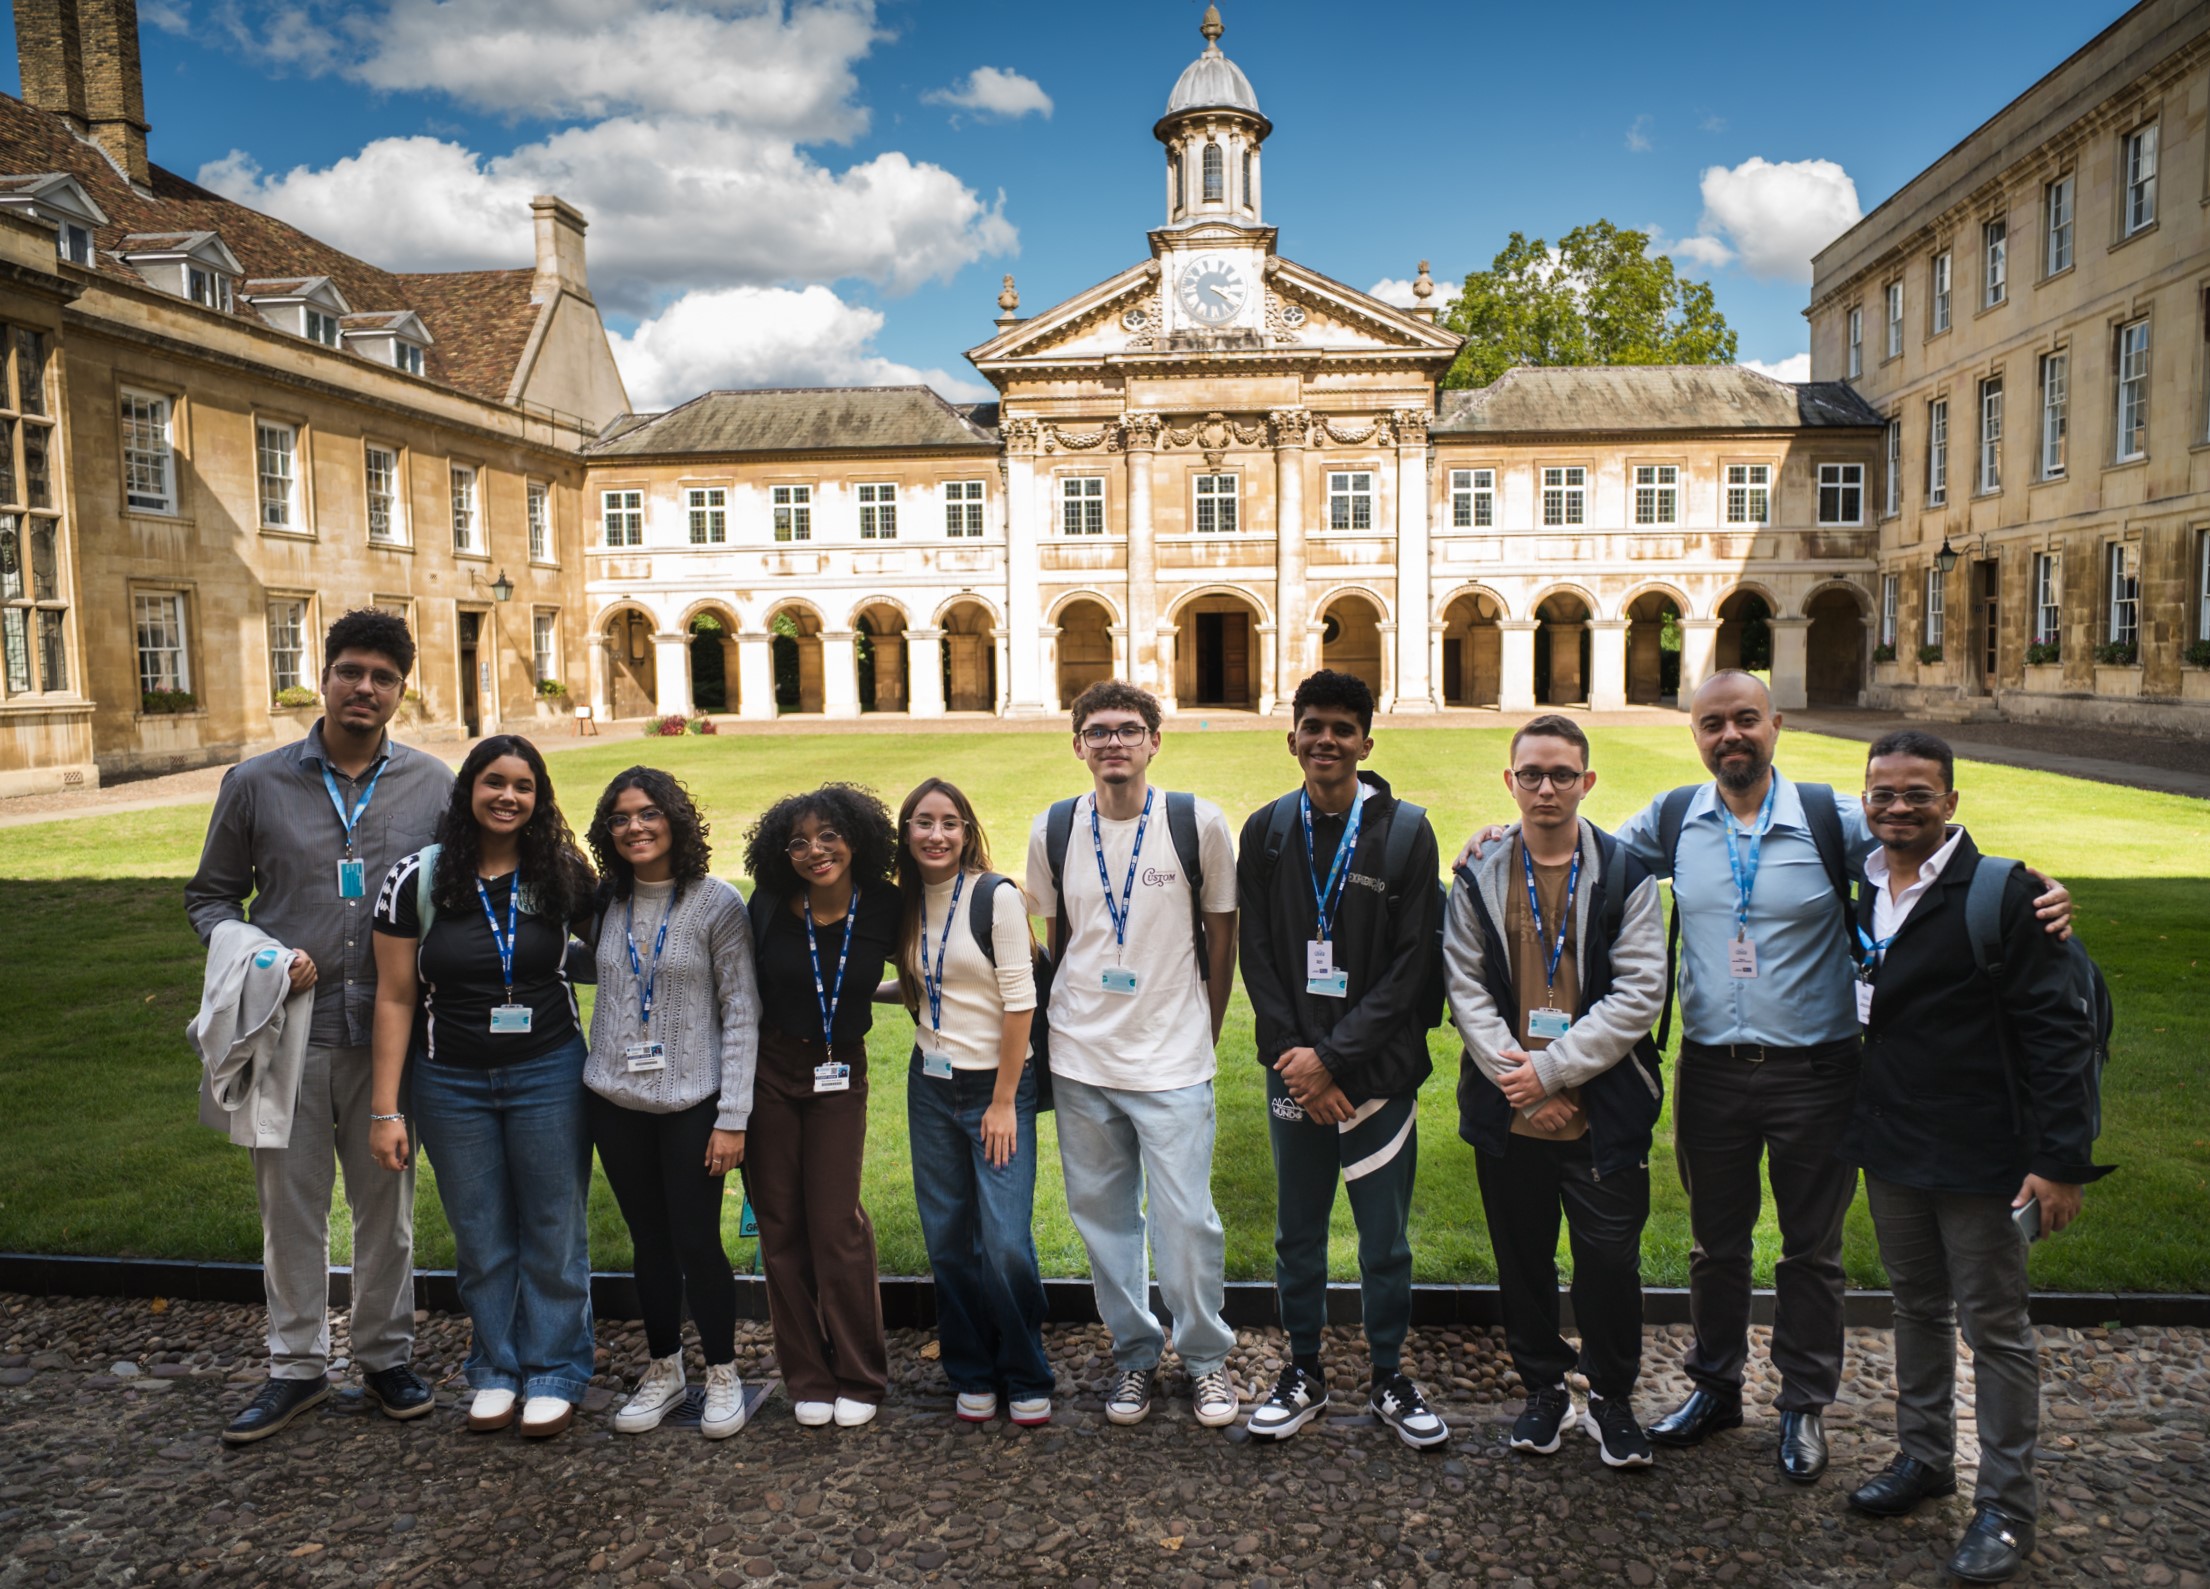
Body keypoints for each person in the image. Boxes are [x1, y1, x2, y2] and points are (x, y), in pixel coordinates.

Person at [1457, 671, 2071, 1483]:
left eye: (1746, 719)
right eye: (1714, 724)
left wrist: (2040, 893)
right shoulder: (1673, 821)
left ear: (1775, 723)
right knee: (1717, 1246)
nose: (1730, 735)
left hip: (1817, 1068)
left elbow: (1927, 843)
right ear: (1697, 735)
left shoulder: (1834, 819)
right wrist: (1494, 835)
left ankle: (1803, 1403)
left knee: (1811, 1251)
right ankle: (1716, 1387)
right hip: (1712, 1068)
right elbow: (1573, 841)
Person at [1839, 730, 2107, 1584]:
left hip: (1984, 1152)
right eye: (1883, 793)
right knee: (1915, 1308)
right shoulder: (1868, 888)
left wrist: (2059, 1159)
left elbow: (2058, 1033)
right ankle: (1923, 1458)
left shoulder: (2005, 893)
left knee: (1996, 1329)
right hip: (1892, 1145)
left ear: (1950, 802)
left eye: (1918, 793)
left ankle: (2006, 1503)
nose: (1898, 807)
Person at [185, 609, 451, 1444]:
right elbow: (210, 897)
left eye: (383, 677)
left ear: (401, 692)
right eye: (351, 671)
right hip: (286, 1030)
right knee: (290, 1207)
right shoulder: (255, 783)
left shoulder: (434, 785)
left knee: (389, 1210)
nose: (364, 688)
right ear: (323, 674)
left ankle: (383, 1355)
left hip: (389, 1034)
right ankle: (294, 1365)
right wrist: (258, 954)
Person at [1443, 714, 1666, 1470]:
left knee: (1609, 1262)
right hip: (1512, 1112)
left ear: (1587, 782)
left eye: (1562, 774)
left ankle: (1610, 1396)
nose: (1546, 788)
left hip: (1601, 1110)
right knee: (1523, 1261)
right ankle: (1542, 1389)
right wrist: (1521, 1080)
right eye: (1531, 774)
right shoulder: (1477, 873)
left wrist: (1553, 1071)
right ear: (1510, 781)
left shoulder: (1629, 874)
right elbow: (1465, 986)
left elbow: (1639, 996)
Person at [1235, 669, 1449, 1448]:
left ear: (1367, 739)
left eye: (1342, 728)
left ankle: (1390, 1372)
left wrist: (1334, 1059)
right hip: (1296, 1069)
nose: (1325, 739)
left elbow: (1410, 969)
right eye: (1312, 725)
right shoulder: (1265, 829)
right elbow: (1256, 957)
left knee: (1383, 1235)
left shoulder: (1406, 831)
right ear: (1291, 734)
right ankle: (1304, 1370)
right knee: (1299, 1229)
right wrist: (1301, 1060)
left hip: (1376, 1073)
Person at [366, 735, 598, 1439]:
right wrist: (385, 1109)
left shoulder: (562, 873)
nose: (508, 796)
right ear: (469, 787)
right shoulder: (419, 877)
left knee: (554, 1227)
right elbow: (396, 997)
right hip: (451, 1080)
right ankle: (496, 1367)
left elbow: (624, 949)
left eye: (523, 785)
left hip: (549, 1070)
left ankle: (556, 1369)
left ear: (539, 797)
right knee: (480, 1231)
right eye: (494, 781)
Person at [1024, 680, 1241, 1429]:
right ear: (1077, 744)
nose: (1113, 742)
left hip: (1172, 1060)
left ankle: (1206, 1359)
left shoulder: (1197, 822)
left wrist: (1201, 1033)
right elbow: (1058, 943)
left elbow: (1223, 938)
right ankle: (1135, 1356)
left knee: (1187, 1222)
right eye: (1098, 731)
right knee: (1104, 1222)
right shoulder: (1053, 826)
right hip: (1082, 1059)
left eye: (1128, 729)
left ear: (1155, 740)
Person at [581, 767, 761, 1441]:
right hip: (614, 1098)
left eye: (650, 812)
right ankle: (663, 1369)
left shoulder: (716, 903)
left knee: (695, 1239)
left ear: (677, 821)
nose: (636, 826)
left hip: (693, 1099)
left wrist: (733, 1116)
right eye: (622, 816)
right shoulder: (605, 901)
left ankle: (722, 1371)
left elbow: (742, 1011)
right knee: (648, 1240)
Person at [741, 784, 902, 1428]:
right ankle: (806, 1374)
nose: (815, 851)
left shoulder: (888, 905)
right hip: (770, 1069)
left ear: (856, 838)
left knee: (836, 1223)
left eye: (829, 835)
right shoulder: (771, 905)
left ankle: (860, 1374)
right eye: (799, 841)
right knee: (780, 1226)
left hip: (841, 1071)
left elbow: (929, 964)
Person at [890, 777, 1050, 1426]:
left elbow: (1021, 1002)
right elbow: (923, 979)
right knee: (947, 1235)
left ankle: (1025, 1367)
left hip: (998, 1083)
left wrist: (1006, 1100)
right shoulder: (902, 902)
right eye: (923, 822)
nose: (936, 834)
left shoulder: (996, 896)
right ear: (905, 832)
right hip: (929, 1085)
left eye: (949, 821)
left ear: (966, 829)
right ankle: (971, 1367)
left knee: (1006, 1237)